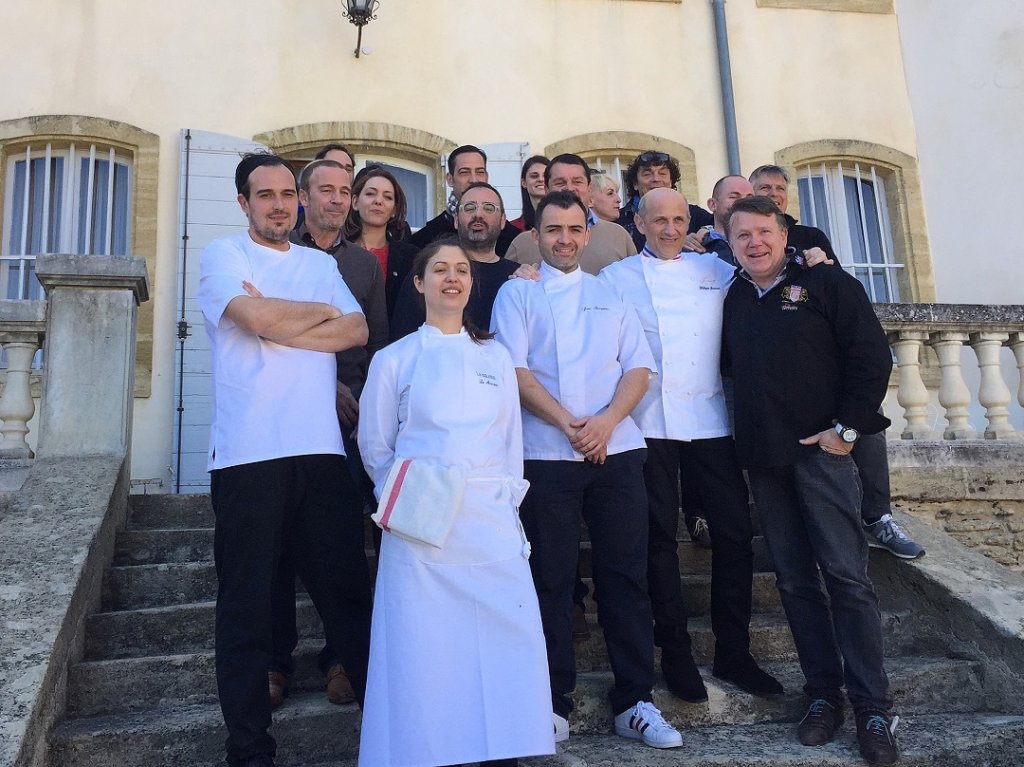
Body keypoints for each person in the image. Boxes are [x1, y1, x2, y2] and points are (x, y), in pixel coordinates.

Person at [197, 153, 373, 767]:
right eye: (262, 194)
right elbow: (251, 316)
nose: (277, 204)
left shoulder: (319, 263)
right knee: (246, 611)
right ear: (244, 203)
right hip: (248, 455)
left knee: (350, 599)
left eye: (285, 194)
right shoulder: (224, 256)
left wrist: (279, 322)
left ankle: (393, 735)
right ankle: (249, 752)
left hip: (320, 451)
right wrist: (307, 313)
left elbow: (355, 332)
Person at [492, 190, 682, 751]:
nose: (565, 239)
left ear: (588, 231)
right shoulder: (516, 294)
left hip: (617, 452)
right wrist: (572, 425)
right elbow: (517, 372)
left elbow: (639, 369)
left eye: (575, 229)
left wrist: (602, 424)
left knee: (626, 576)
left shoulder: (611, 292)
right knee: (550, 580)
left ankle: (634, 702)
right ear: (537, 234)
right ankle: (551, 701)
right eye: (554, 230)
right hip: (546, 457)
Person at [357, 240, 554, 767]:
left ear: (472, 284)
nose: (452, 278)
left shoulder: (495, 356)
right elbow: (376, 447)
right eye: (439, 269)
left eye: (462, 270)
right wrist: (409, 504)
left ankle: (503, 750)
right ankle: (429, 751)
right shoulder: (393, 359)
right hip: (421, 529)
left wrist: (504, 503)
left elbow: (511, 442)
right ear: (418, 283)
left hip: (489, 520)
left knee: (502, 642)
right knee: (426, 651)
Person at [722, 195, 900, 766]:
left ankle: (873, 705)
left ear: (783, 234)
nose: (754, 242)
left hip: (823, 457)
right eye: (742, 234)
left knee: (846, 579)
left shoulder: (827, 284)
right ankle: (824, 696)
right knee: (797, 585)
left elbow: (873, 358)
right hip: (766, 463)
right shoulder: (734, 296)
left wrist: (846, 429)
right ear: (730, 243)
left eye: (764, 232)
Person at [599, 187, 783, 704]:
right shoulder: (613, 279)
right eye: (659, 220)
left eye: (679, 219)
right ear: (639, 222)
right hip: (645, 424)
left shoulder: (718, 273)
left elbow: (772, 286)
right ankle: (675, 655)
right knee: (658, 541)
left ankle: (734, 651)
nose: (670, 229)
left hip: (710, 420)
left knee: (733, 535)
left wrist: (808, 258)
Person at [748, 164, 924, 560]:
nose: (773, 193)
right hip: (774, 378)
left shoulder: (811, 237)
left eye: (779, 188)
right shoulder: (737, 242)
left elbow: (840, 298)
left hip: (827, 363)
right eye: (764, 187)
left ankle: (878, 515)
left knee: (864, 414)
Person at [264, 158, 386, 710]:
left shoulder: (363, 264)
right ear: (303, 197)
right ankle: (273, 661)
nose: (337, 200)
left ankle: (340, 657)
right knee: (278, 544)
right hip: (281, 418)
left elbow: (370, 339)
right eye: (325, 190)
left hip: (346, 419)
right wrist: (324, 379)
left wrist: (350, 391)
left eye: (345, 192)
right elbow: (263, 329)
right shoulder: (270, 255)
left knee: (340, 543)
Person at [390, 182, 520, 341]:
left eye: (489, 208)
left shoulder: (518, 277)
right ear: (456, 220)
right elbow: (401, 342)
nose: (478, 214)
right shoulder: (429, 275)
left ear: (503, 220)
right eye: (470, 208)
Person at [505, 153, 636, 274]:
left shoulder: (619, 236)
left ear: (589, 188)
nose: (569, 188)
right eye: (560, 182)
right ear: (546, 189)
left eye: (577, 182)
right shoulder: (522, 244)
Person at [407, 144, 520, 257]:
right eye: (464, 172)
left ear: (486, 177)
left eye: (479, 172)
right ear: (450, 179)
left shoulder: (514, 239)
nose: (473, 179)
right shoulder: (425, 240)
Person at [344, 165, 420, 319]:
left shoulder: (411, 258)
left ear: (394, 210)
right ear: (355, 202)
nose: (378, 201)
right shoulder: (336, 252)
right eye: (371, 194)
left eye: (388, 197)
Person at [617, 150, 713, 251]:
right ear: (635, 184)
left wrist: (706, 230)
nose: (656, 179)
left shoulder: (694, 214)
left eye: (662, 173)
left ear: (671, 182)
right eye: (647, 174)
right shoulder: (618, 221)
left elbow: (722, 227)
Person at [509, 154, 549, 231]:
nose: (541, 179)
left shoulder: (568, 222)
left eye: (546, 176)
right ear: (523, 183)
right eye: (534, 176)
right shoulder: (513, 228)